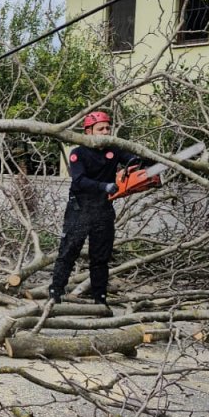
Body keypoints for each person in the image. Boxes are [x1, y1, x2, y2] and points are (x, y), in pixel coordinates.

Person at [47, 111, 143, 306]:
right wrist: (104, 186)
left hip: (103, 209)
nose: (106, 131)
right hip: (79, 208)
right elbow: (79, 180)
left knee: (100, 257)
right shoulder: (78, 153)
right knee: (68, 252)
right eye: (101, 128)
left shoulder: (114, 150)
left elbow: (133, 160)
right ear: (89, 131)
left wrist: (149, 162)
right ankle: (55, 292)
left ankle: (100, 298)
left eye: (108, 128)